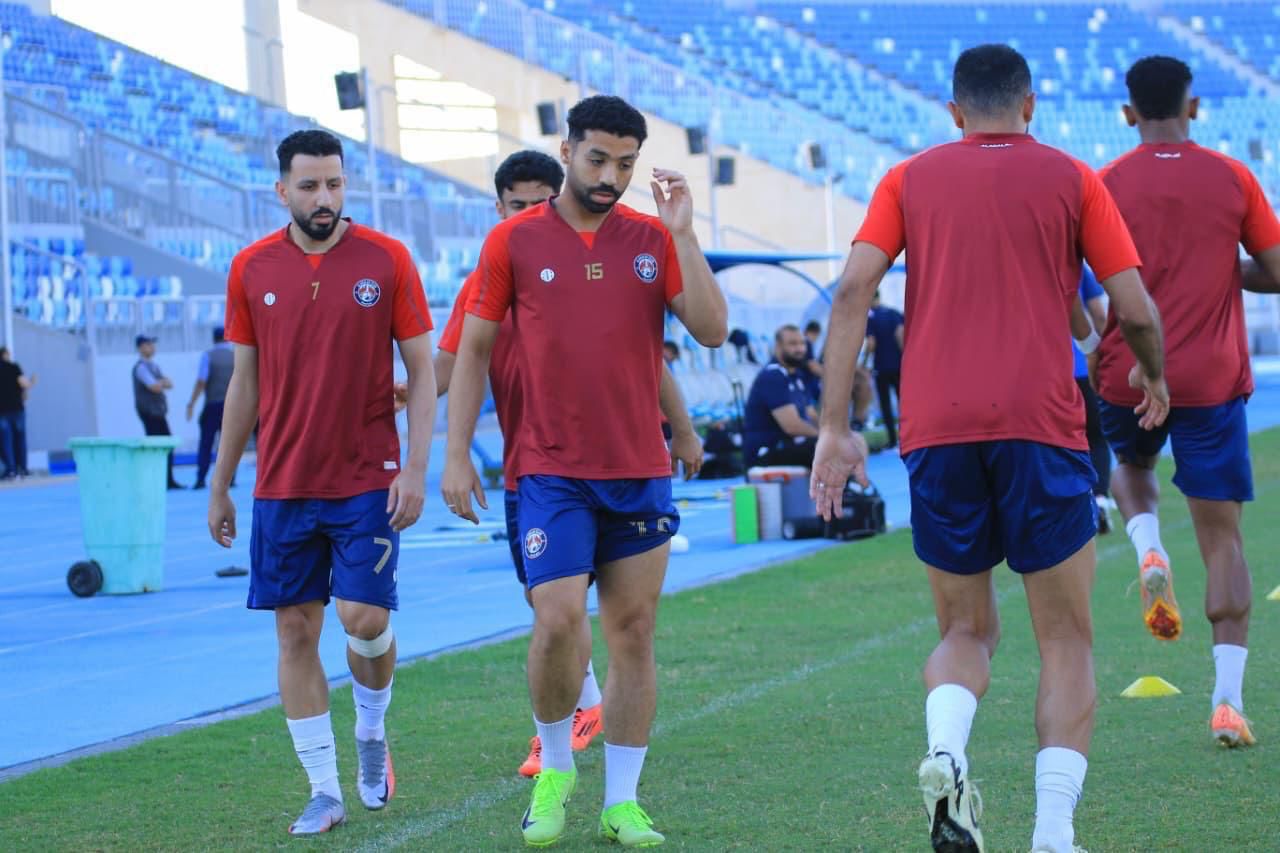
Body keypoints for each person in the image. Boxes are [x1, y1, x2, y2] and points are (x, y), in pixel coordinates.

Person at [809, 45, 1167, 853]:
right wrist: (1152, 372)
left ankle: (946, 751)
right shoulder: (1074, 177)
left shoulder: (908, 178)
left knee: (965, 630)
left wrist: (835, 427)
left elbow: (854, 288)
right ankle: (1053, 833)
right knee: (1065, 637)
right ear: (1030, 105)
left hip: (936, 426)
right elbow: (1134, 307)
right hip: (1040, 422)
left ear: (955, 111)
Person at [441, 95, 727, 848]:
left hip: (637, 469)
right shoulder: (513, 240)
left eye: (625, 164)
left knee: (633, 631)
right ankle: (557, 765)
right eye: (598, 159)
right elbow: (471, 351)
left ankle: (621, 802)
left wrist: (685, 234)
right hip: (549, 470)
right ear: (567, 150)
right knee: (558, 619)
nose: (610, 176)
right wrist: (454, 454)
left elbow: (710, 329)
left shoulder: (652, 239)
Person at [206, 129, 436, 835]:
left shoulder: (387, 259)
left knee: (364, 619)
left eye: (334, 183)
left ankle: (372, 728)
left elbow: (423, 370)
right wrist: (221, 481)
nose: (324, 197)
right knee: (294, 631)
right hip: (282, 483)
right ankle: (323, 790)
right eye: (309, 186)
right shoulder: (251, 268)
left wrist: (416, 468)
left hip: (368, 476)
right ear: (283, 191)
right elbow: (245, 384)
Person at [1092, 55, 1280, 747]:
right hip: (1210, 378)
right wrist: (1226, 269)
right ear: (1193, 106)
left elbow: (1075, 278)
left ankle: (1147, 547)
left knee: (1130, 467)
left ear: (1128, 113)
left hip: (1128, 370)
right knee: (1223, 539)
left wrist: (1092, 341)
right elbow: (1279, 270)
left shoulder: (1104, 183)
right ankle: (1227, 702)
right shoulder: (1232, 176)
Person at [1071, 269, 1113, 533]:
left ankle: (1069, 504)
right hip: (1084, 366)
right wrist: (1106, 354)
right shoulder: (1079, 268)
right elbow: (1099, 314)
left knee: (1053, 442)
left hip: (1045, 371)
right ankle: (1099, 499)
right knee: (1096, 437)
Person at [742, 324, 819, 468]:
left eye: (802, 343)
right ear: (778, 347)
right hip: (766, 452)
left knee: (840, 445)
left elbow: (811, 414)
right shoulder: (773, 375)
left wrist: (834, 433)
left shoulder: (797, 376)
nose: (800, 349)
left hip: (788, 446)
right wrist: (824, 438)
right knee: (824, 449)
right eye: (793, 344)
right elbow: (792, 427)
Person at [132, 334, 184, 490]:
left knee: (167, 444)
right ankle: (158, 480)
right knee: (156, 447)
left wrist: (159, 383)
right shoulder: (141, 368)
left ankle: (167, 480)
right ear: (141, 348)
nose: (153, 347)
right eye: (149, 344)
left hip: (158, 412)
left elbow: (169, 384)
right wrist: (161, 383)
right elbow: (154, 387)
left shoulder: (153, 367)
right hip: (149, 413)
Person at [185, 326, 234, 490]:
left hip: (213, 404)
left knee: (206, 443)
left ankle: (201, 478)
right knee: (229, 443)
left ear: (213, 339)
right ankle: (231, 478)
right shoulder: (235, 356)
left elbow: (201, 381)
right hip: (231, 406)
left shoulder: (208, 356)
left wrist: (191, 403)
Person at [863, 291, 904, 448]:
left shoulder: (871, 317)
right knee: (904, 402)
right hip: (898, 365)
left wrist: (865, 362)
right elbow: (901, 335)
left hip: (881, 366)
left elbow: (871, 342)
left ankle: (893, 440)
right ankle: (907, 437)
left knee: (885, 404)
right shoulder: (893, 313)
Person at [0, 346, 35, 479]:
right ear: (5, 354)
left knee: (6, 442)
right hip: (17, 409)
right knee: (20, 440)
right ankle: (23, 468)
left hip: (2, 411)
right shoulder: (14, 367)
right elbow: (25, 384)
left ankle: (11, 469)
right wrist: (32, 381)